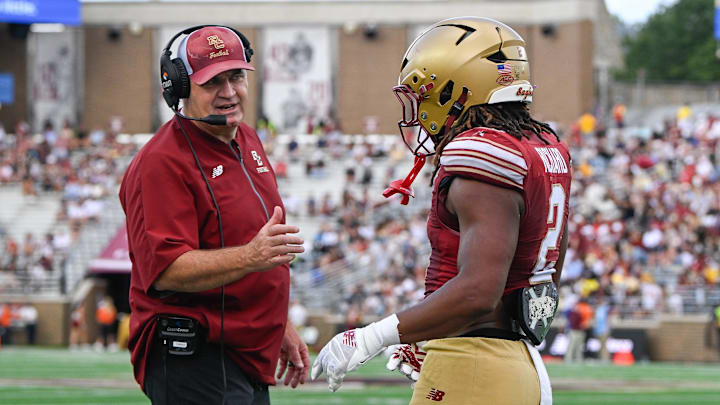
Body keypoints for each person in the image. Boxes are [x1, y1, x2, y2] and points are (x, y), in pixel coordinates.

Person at [311, 17, 572, 405]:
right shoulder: (542, 145)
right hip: (515, 361)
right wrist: (431, 330)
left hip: (475, 365)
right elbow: (542, 276)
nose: (419, 111)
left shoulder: (482, 153)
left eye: (424, 95)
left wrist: (372, 336)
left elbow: (479, 292)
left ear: (455, 89)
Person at [119, 25, 308, 404]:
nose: (229, 92)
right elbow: (165, 271)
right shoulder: (161, 163)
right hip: (198, 355)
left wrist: (277, 324)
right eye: (211, 82)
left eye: (236, 76)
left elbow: (250, 249)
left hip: (243, 347)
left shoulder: (247, 138)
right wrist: (250, 256)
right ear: (179, 87)